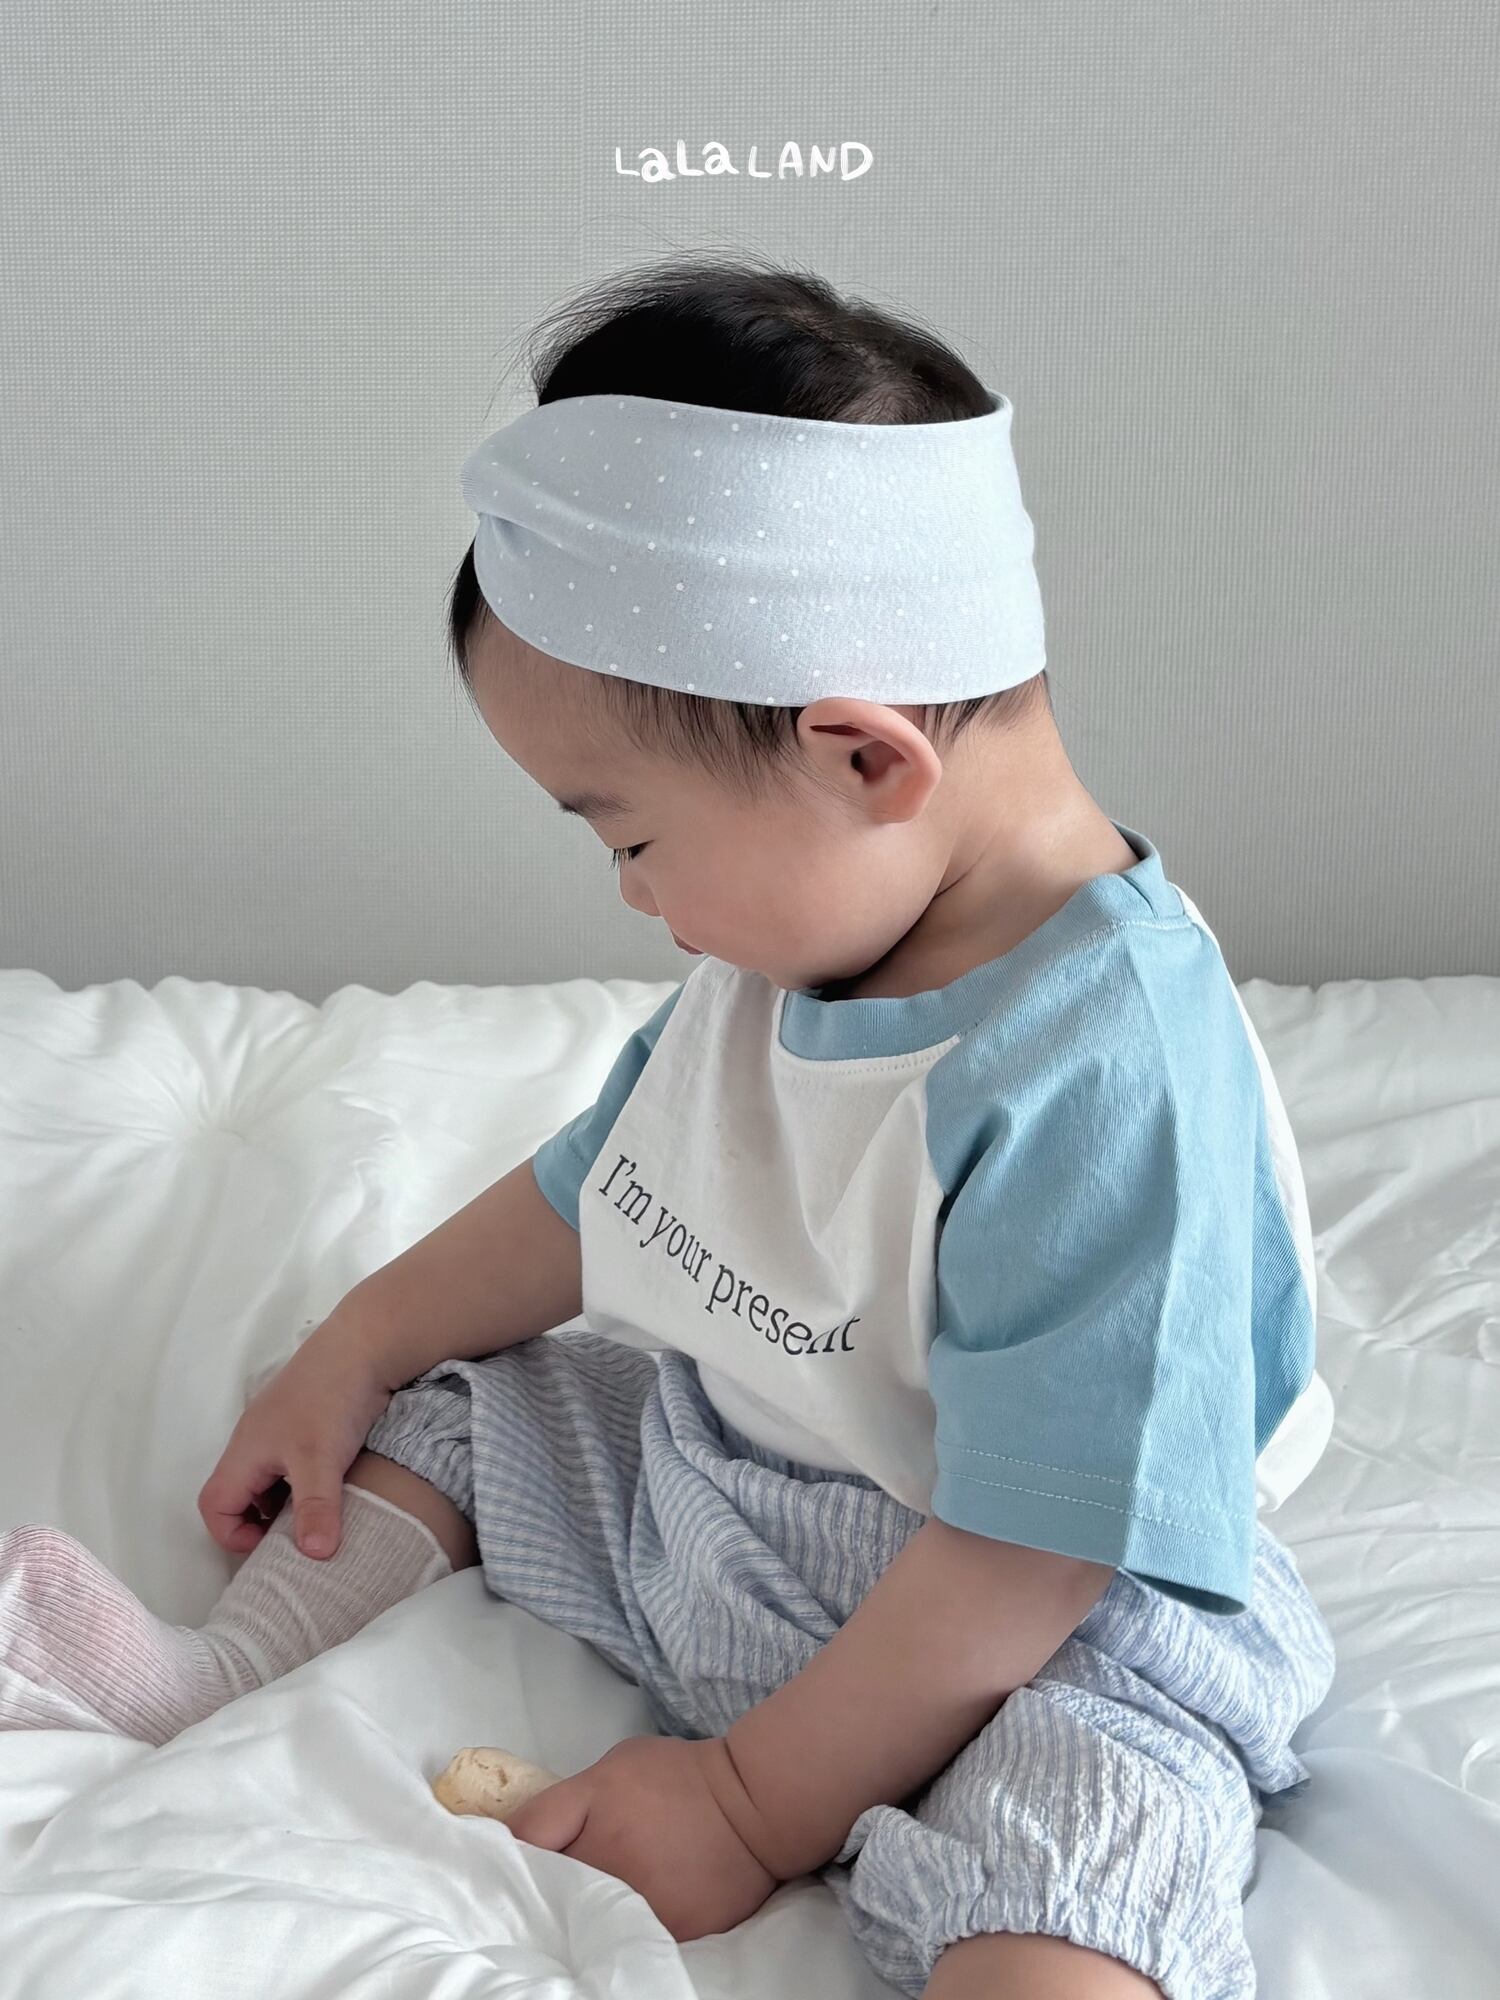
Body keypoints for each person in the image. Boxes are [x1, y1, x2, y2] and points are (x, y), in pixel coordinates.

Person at [0, 256, 1337, 2000]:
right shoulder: (807, 942)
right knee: (467, 1392)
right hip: (732, 1497)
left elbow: (1034, 1552)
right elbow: (600, 1197)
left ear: (864, 759)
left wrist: (746, 1801)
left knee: (1079, 1875)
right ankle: (217, 1675)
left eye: (627, 835)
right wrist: (354, 1346)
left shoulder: (1112, 1069)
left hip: (1033, 1632)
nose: (631, 896)